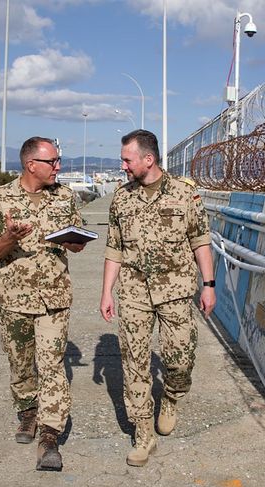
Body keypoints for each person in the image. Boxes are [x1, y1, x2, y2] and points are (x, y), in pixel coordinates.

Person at [99, 129, 216, 467]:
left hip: (176, 291)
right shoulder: (121, 198)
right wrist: (106, 291)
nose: (123, 165)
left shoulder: (184, 194)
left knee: (179, 359)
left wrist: (208, 284)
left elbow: (200, 241)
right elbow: (114, 249)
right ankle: (143, 434)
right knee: (133, 364)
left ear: (147, 160)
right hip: (133, 293)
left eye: (127, 159)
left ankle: (171, 397)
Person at [0, 136, 86, 471]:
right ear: (31, 165)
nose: (58, 167)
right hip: (14, 299)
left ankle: (50, 439)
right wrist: (11, 237)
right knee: (22, 365)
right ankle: (28, 413)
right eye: (52, 162)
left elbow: (78, 243)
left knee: (52, 366)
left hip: (55, 297)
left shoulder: (66, 197)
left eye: (58, 160)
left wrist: (73, 242)